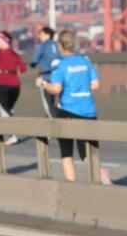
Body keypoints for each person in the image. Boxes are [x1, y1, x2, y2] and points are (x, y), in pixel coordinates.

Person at [42, 30, 103, 183]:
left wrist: (44, 84)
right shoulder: (85, 61)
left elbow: (56, 89)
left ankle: (72, 186)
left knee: (66, 152)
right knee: (88, 152)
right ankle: (100, 176)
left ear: (60, 45)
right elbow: (95, 84)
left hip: (68, 111)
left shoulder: (60, 65)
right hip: (89, 111)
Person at [0, 31, 27, 145]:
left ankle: (13, 135)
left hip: (2, 83)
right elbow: (23, 68)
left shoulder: (0, 53)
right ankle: (12, 134)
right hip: (15, 86)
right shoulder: (15, 54)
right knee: (9, 109)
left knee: (4, 110)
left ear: (3, 41)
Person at [30, 26, 61, 118]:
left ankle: (51, 128)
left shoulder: (42, 46)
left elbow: (34, 61)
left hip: (46, 77)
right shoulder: (57, 45)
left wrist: (34, 64)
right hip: (59, 78)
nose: (39, 36)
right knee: (59, 103)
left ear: (48, 35)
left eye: (41, 34)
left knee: (48, 105)